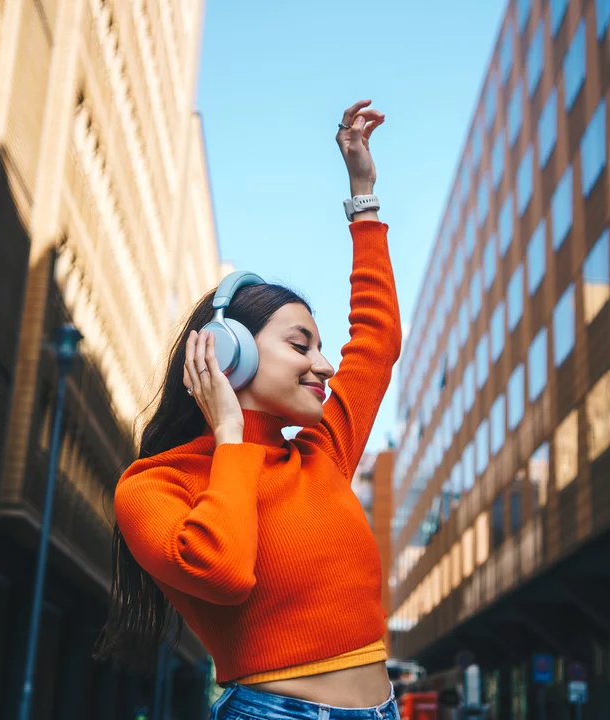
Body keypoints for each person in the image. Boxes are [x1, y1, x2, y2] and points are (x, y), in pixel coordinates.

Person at [95, 100, 402, 720]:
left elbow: (376, 342)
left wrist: (362, 195)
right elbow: (223, 570)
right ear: (229, 353)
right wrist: (230, 436)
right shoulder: (154, 486)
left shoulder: (321, 454)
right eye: (299, 345)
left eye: (320, 347)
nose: (324, 366)